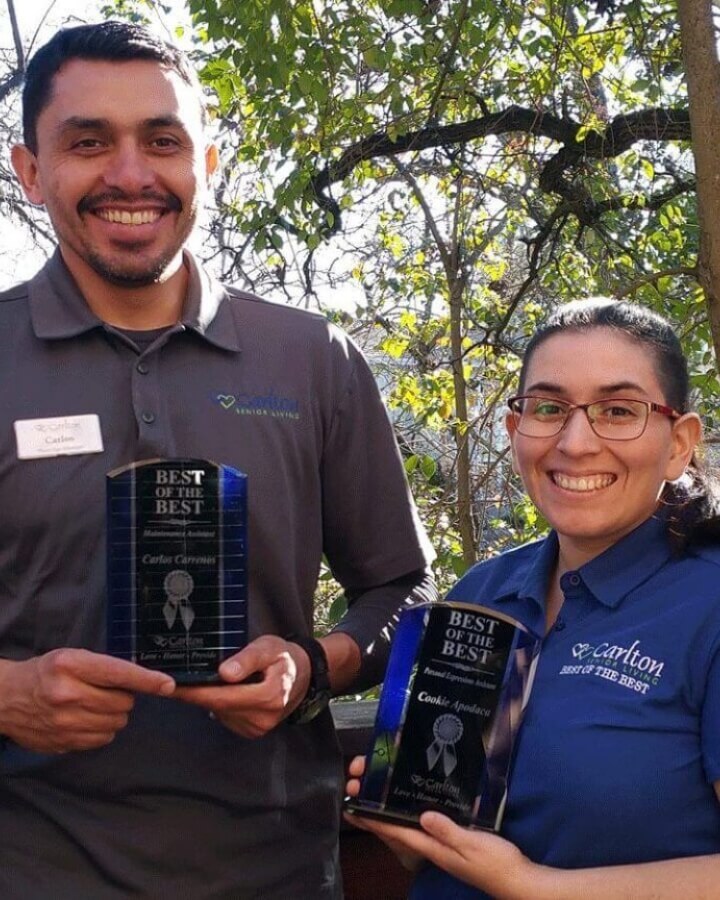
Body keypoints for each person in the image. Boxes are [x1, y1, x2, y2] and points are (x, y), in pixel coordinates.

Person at [0, 21, 435, 900]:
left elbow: (403, 589)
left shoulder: (313, 358)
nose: (131, 174)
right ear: (31, 170)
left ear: (209, 164)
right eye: (89, 143)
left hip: (279, 869)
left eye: (163, 140)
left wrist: (314, 665)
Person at [346, 298, 720, 898]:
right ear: (517, 428)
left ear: (679, 442)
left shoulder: (708, 605)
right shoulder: (482, 592)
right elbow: (443, 845)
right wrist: (407, 821)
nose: (575, 442)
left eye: (618, 410)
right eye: (548, 407)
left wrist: (532, 886)